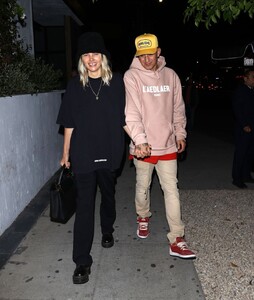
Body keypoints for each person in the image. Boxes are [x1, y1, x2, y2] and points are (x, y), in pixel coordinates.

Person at [56, 32, 126, 284]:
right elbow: (69, 124)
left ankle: (107, 229)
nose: (91, 59)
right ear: (81, 59)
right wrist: (65, 154)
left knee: (107, 194)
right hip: (83, 153)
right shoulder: (75, 86)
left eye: (95, 53)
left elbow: (125, 118)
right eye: (86, 54)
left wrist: (140, 141)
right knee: (84, 206)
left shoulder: (117, 83)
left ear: (103, 56)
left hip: (110, 150)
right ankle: (81, 262)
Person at [123, 33, 196, 259]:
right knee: (143, 186)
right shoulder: (131, 76)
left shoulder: (171, 75)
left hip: (167, 145)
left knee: (171, 189)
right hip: (144, 146)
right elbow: (131, 112)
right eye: (142, 55)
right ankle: (143, 216)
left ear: (158, 51)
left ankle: (177, 238)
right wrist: (140, 141)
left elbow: (178, 108)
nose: (146, 59)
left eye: (150, 54)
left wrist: (180, 133)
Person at [232, 68, 254, 189]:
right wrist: (244, 124)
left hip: (252, 127)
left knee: (249, 153)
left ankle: (246, 175)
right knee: (241, 153)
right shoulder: (240, 90)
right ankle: (236, 178)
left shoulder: (252, 91)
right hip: (243, 128)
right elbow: (237, 109)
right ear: (245, 78)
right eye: (252, 77)